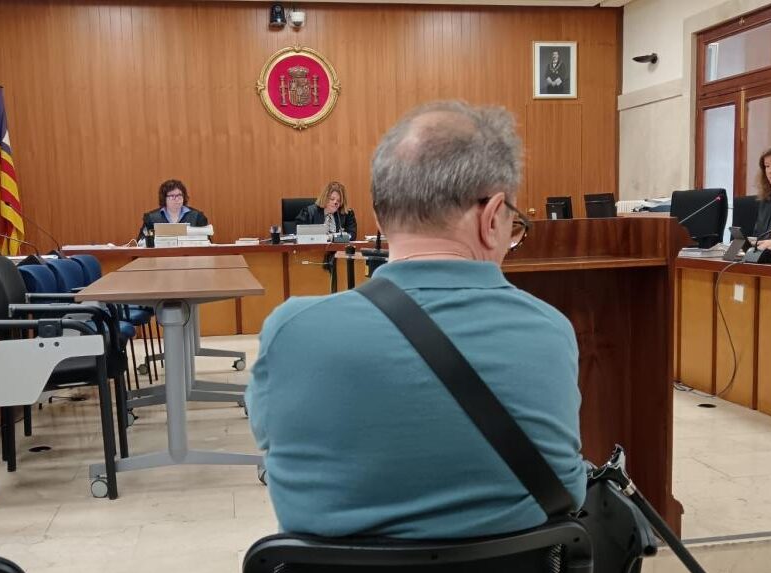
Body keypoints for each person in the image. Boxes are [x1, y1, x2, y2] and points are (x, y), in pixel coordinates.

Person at [246, 101, 587, 539]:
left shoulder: (291, 332)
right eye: (513, 223)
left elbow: (273, 444)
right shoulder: (550, 332)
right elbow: (570, 490)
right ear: (491, 217)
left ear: (378, 216)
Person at [135, 179, 210, 244]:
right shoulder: (151, 218)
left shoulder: (197, 216)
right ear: (164, 198)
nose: (176, 199)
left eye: (179, 195)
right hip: (161, 255)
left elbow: (207, 242)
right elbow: (141, 242)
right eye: (172, 196)